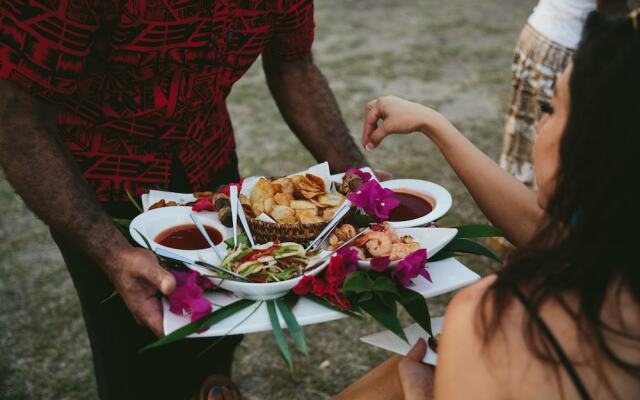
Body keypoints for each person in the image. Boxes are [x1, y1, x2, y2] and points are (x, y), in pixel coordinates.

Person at [0, 1, 373, 399]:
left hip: (207, 157)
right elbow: (14, 116)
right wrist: (111, 253)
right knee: (135, 353)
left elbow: (292, 65)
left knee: (219, 324)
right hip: (99, 183)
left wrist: (364, 183)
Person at [338, 9, 640, 400]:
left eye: (550, 109)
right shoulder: (616, 248)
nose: (539, 125)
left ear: (599, 147)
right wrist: (434, 124)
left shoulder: (491, 323)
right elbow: (548, 233)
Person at [500, 0, 628, 188]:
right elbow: (611, 9)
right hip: (570, 50)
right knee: (554, 157)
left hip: (541, 34)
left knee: (532, 150)